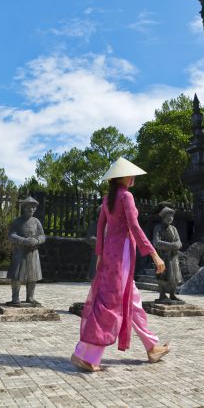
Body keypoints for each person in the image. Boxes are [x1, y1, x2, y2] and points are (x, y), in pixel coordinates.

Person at [71, 157, 170, 372]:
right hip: (122, 255)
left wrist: (100, 255)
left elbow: (100, 229)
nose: (133, 177)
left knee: (131, 300)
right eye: (130, 173)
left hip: (110, 255)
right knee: (111, 303)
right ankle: (86, 355)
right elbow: (134, 227)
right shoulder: (126, 197)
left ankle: (152, 346)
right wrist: (154, 254)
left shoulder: (107, 199)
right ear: (121, 177)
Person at [7, 196, 46, 305]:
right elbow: (11, 235)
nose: (32, 210)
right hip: (20, 252)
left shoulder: (36, 222)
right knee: (17, 276)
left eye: (33, 208)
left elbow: (43, 236)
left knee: (33, 276)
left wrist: (37, 241)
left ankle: (30, 297)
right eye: (29, 207)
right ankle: (15, 298)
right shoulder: (17, 221)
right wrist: (23, 240)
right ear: (24, 208)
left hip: (33, 252)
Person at [152, 207, 183, 302]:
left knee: (175, 276)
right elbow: (156, 242)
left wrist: (176, 245)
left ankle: (173, 294)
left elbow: (179, 243)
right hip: (162, 256)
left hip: (173, 257)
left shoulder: (174, 229)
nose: (170, 218)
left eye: (171, 216)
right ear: (163, 217)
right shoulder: (158, 228)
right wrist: (171, 245)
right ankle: (162, 295)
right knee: (163, 275)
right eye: (168, 216)